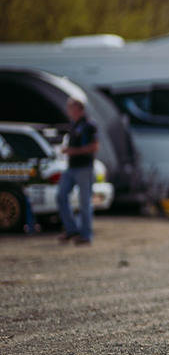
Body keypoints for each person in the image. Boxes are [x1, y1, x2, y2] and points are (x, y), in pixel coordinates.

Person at [57, 98, 99, 245]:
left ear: (78, 109)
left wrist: (74, 151)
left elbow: (94, 147)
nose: (69, 112)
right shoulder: (74, 124)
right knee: (61, 196)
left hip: (84, 167)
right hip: (71, 167)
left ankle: (86, 235)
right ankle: (71, 229)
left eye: (71, 108)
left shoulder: (89, 125)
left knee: (84, 201)